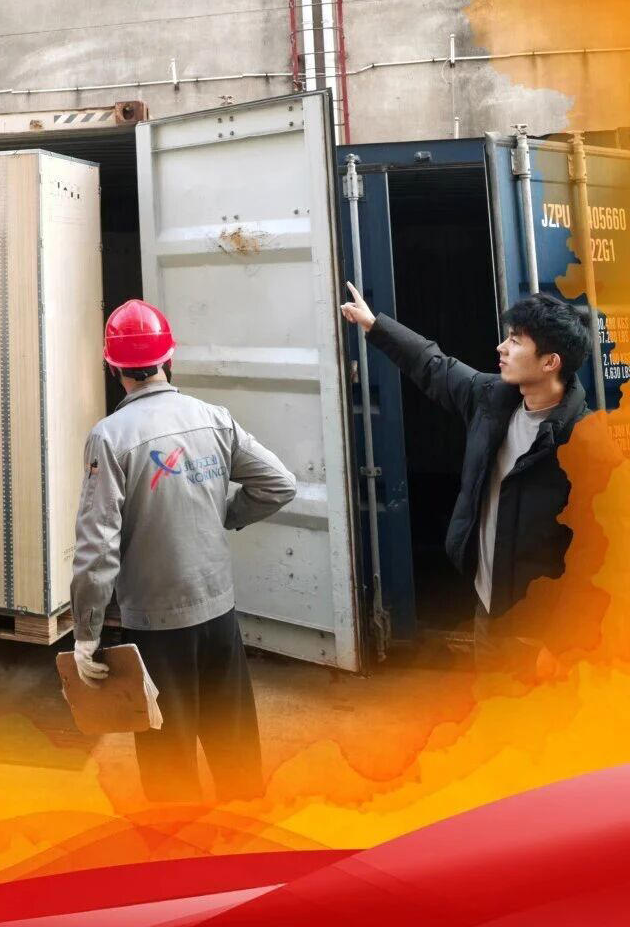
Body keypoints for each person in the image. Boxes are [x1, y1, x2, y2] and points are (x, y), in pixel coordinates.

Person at [70, 299, 297, 803]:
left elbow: (97, 547)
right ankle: (248, 841)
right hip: (218, 615)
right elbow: (280, 484)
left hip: (156, 629)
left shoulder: (110, 437)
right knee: (235, 750)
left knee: (169, 766)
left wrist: (86, 634)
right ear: (168, 358)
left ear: (113, 367)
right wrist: (225, 514)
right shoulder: (213, 419)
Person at [341, 281, 590, 646]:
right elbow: (433, 365)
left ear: (550, 362)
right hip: (487, 612)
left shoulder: (585, 443)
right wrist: (374, 325)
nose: (501, 348)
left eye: (515, 341)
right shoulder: (491, 400)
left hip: (544, 632)